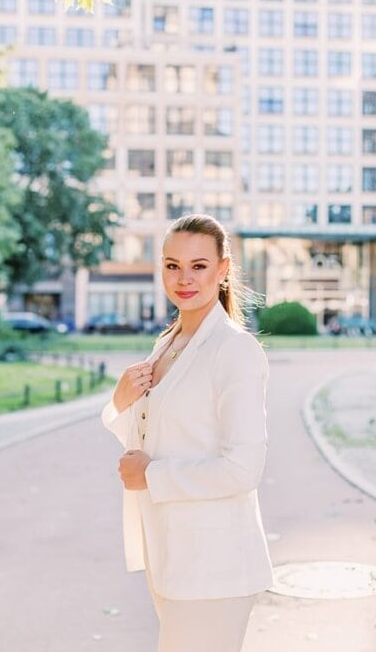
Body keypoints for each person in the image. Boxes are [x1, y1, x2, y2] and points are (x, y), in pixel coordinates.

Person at [101, 214, 272, 652]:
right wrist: (119, 403)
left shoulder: (235, 351)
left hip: (216, 568)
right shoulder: (168, 342)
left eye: (198, 265)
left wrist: (153, 476)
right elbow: (157, 436)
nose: (184, 278)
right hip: (171, 556)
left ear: (222, 269)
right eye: (172, 265)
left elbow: (242, 469)